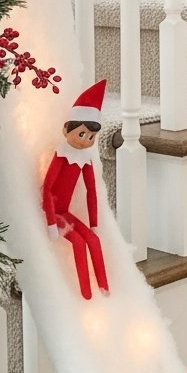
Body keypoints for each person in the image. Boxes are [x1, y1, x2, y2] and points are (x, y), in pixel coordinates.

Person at [41, 79, 109, 300]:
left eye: (91, 137)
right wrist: (51, 222)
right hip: (52, 211)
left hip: (65, 212)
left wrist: (95, 223)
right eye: (82, 134)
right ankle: (86, 293)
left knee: (94, 240)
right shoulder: (61, 155)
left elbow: (92, 192)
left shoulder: (85, 159)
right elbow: (47, 189)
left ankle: (104, 288)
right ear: (66, 129)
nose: (86, 141)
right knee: (79, 243)